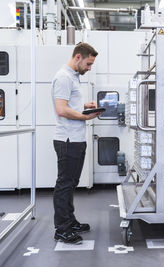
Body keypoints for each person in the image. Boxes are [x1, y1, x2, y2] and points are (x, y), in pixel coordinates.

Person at [51, 42, 101, 244]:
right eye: (88, 64)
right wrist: (85, 116)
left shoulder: (73, 77)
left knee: (71, 183)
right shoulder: (63, 77)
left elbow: (70, 104)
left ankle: (70, 222)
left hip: (76, 139)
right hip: (68, 139)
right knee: (64, 184)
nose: (89, 68)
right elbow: (61, 110)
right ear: (78, 57)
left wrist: (84, 105)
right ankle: (61, 229)